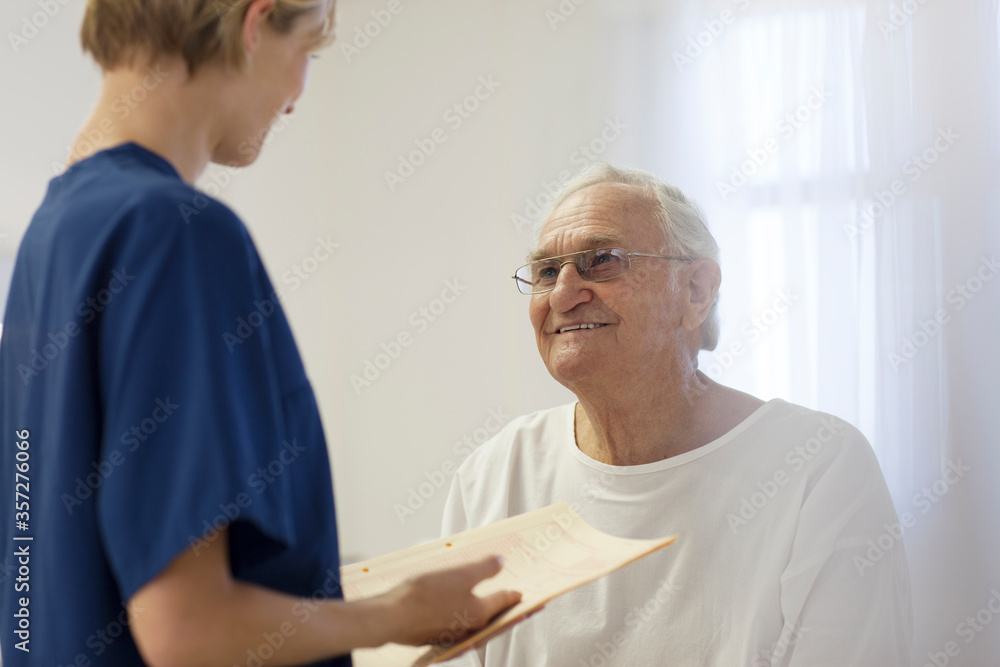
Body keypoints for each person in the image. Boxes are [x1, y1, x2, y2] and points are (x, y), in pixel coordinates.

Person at [0, 1, 519, 665]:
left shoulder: (53, 232)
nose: (297, 97)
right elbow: (187, 632)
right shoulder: (176, 233)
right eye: (308, 50)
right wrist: (400, 613)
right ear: (254, 23)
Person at [440, 163, 912, 666]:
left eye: (602, 261)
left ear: (696, 292)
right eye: (547, 272)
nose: (562, 294)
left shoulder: (819, 467)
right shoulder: (493, 476)